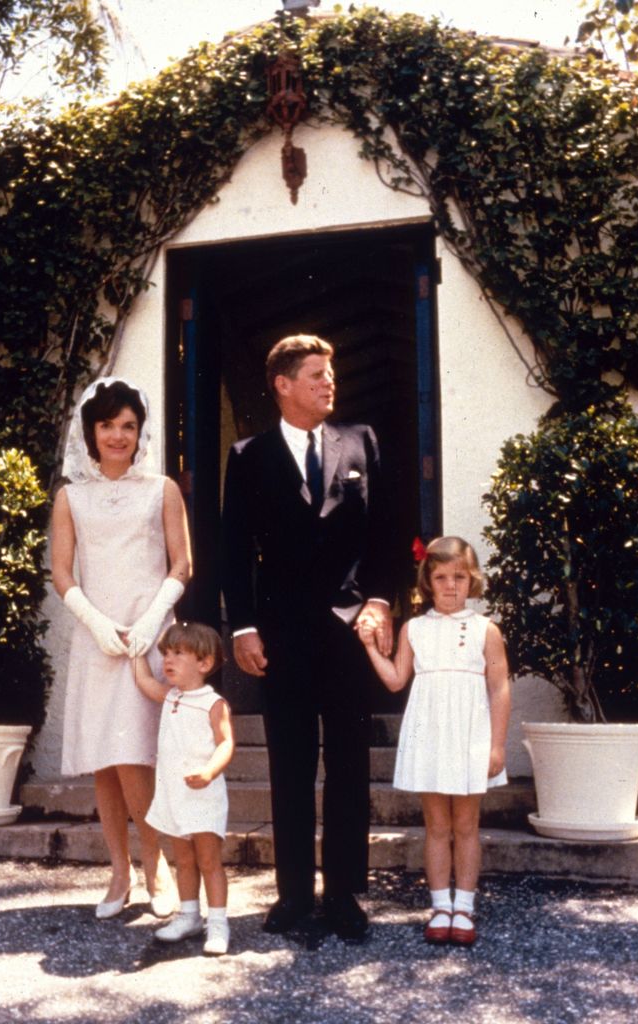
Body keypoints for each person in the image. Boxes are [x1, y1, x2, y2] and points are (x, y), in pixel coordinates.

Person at [221, 334, 396, 942]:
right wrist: (242, 625)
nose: (330, 383)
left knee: (348, 765)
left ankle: (345, 894)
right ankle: (294, 894)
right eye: (317, 375)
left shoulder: (361, 443)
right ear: (283, 384)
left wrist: (378, 600)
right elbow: (233, 548)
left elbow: (388, 530)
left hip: (350, 632)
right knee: (290, 765)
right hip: (281, 635)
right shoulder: (248, 456)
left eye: (331, 374)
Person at [51, 376, 191, 919]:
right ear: (91, 431)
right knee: (105, 763)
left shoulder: (162, 489)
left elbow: (182, 563)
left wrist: (152, 620)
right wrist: (96, 622)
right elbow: (63, 574)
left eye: (127, 426)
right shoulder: (72, 496)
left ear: (141, 431)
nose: (117, 436)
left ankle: (156, 867)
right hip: (97, 642)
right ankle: (118, 872)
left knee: (138, 758)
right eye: (107, 425)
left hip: (148, 640)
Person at [358, 536, 511, 946]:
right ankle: (440, 905)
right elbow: (394, 680)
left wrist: (497, 745)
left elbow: (499, 688)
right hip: (430, 737)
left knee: (466, 825)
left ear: (472, 580)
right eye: (441, 577)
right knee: (436, 826)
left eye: (459, 577)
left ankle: (465, 907)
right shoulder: (414, 629)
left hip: (468, 737)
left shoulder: (485, 630)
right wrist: (372, 646)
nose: (450, 586)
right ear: (428, 581)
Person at [132, 621, 234, 955]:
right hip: (175, 796)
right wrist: (135, 651)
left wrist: (208, 771)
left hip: (203, 796)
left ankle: (218, 923)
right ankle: (189, 915)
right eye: (166, 654)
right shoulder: (171, 695)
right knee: (184, 860)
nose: (168, 661)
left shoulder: (213, 703)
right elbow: (145, 681)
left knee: (208, 860)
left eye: (178, 654)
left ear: (203, 664)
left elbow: (226, 744)